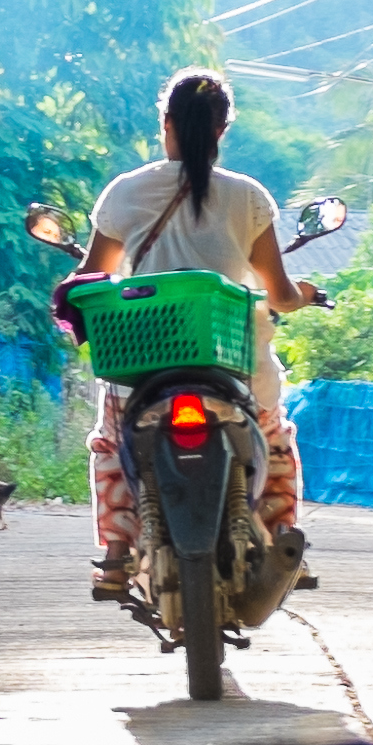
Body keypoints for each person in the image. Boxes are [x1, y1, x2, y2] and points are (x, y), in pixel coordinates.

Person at [77, 68, 324, 596]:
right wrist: (304, 295)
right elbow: (278, 295)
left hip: (140, 365)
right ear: (221, 129)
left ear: (165, 124)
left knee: (111, 443)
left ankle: (118, 556)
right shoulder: (248, 198)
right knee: (275, 438)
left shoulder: (125, 193)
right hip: (234, 364)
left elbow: (89, 279)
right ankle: (282, 539)